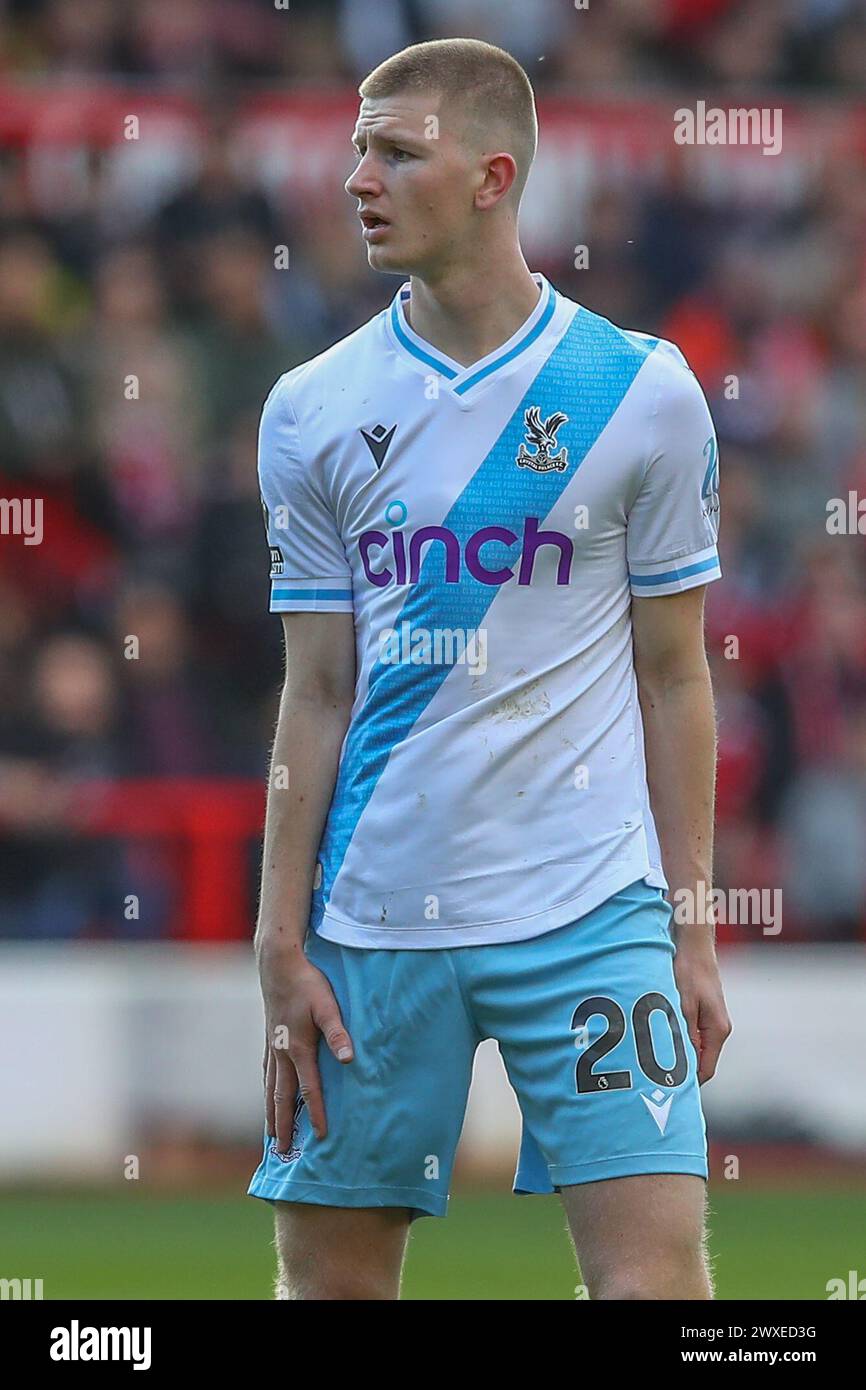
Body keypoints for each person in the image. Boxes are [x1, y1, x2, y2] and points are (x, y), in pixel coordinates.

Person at [248, 37, 731, 1301]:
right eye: (358, 148)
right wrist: (277, 938)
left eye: (395, 151)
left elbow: (675, 678)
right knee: (331, 1293)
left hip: (591, 910)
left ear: (490, 176)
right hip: (369, 921)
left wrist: (690, 931)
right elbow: (315, 693)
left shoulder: (640, 391)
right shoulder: (309, 406)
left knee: (654, 1287)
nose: (358, 176)